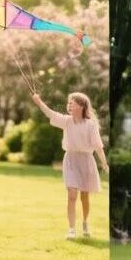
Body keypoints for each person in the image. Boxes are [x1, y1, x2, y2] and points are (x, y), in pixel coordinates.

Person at [31, 92, 109, 240]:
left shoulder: (90, 125)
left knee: (84, 197)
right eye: (69, 103)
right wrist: (39, 101)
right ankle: (72, 229)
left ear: (81, 106)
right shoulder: (66, 121)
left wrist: (104, 163)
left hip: (86, 161)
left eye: (72, 103)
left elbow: (98, 147)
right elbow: (50, 113)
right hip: (71, 160)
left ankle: (85, 222)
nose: (69, 105)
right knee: (72, 195)